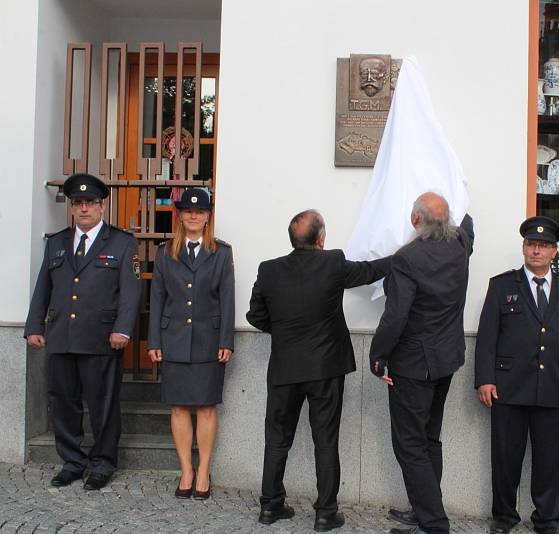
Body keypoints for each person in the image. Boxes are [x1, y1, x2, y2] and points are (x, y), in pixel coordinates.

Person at [247, 209, 391, 531]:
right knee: (325, 440)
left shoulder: (268, 270)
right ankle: (325, 513)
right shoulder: (333, 263)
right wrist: (409, 254)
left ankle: (269, 507)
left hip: (285, 368)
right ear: (321, 239)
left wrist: (284, 334)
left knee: (276, 440)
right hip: (326, 368)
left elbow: (254, 316)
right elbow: (372, 271)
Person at [24, 173, 141, 490]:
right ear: (72, 208)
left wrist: (123, 330)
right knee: (64, 403)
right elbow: (43, 288)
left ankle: (103, 463)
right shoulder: (57, 242)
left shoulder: (122, 242)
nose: (84, 208)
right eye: (78, 203)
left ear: (102, 206)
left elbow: (131, 293)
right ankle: (72, 462)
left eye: (90, 202)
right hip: (62, 335)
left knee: (102, 404)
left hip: (101, 339)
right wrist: (34, 326)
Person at [474, 216, 559, 534]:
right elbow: (486, 338)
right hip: (509, 387)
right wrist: (484, 379)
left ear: (555, 252)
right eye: (530, 244)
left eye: (542, 246)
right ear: (524, 248)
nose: (535, 251)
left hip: (553, 385)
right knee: (505, 458)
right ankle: (504, 516)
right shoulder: (502, 285)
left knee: (549, 460)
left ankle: (547, 519)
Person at [369, 192, 474, 534]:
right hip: (446, 361)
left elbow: (395, 316)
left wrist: (378, 356)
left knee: (411, 446)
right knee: (429, 440)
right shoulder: (460, 247)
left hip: (413, 365)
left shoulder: (408, 258)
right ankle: (423, 510)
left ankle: (434, 524)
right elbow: (468, 225)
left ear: (415, 221)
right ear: (447, 222)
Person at [147, 188, 235, 500]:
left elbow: (227, 298)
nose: (194, 215)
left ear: (208, 215)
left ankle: (204, 469)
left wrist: (226, 339)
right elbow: (156, 298)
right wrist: (153, 340)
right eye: (187, 211)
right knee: (179, 406)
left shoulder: (221, 253)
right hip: (173, 339)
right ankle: (186, 468)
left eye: (200, 211)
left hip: (209, 341)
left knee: (207, 407)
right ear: (180, 216)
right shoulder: (165, 252)